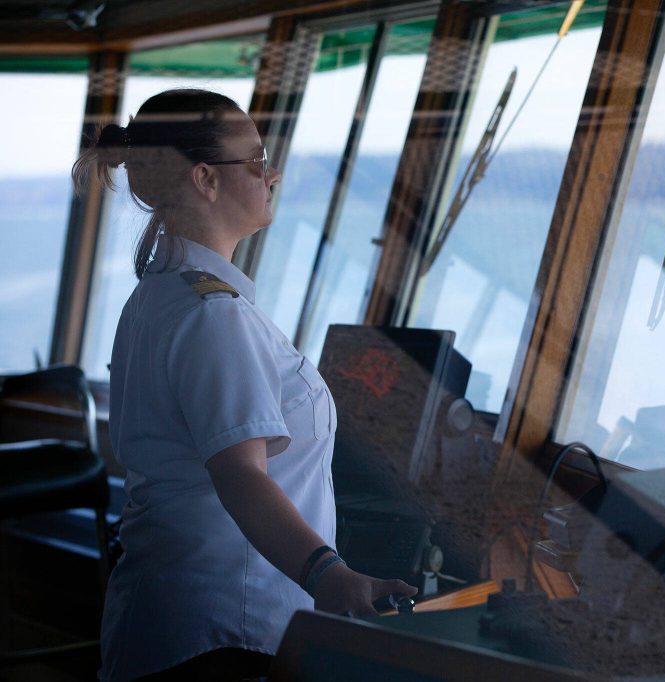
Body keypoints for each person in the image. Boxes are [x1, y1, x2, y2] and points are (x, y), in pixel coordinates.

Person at [73, 89, 416, 682]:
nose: (271, 172)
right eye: (256, 160)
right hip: (224, 634)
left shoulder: (161, 296)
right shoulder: (213, 314)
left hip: (173, 624)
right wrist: (331, 578)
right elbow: (241, 475)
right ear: (206, 179)